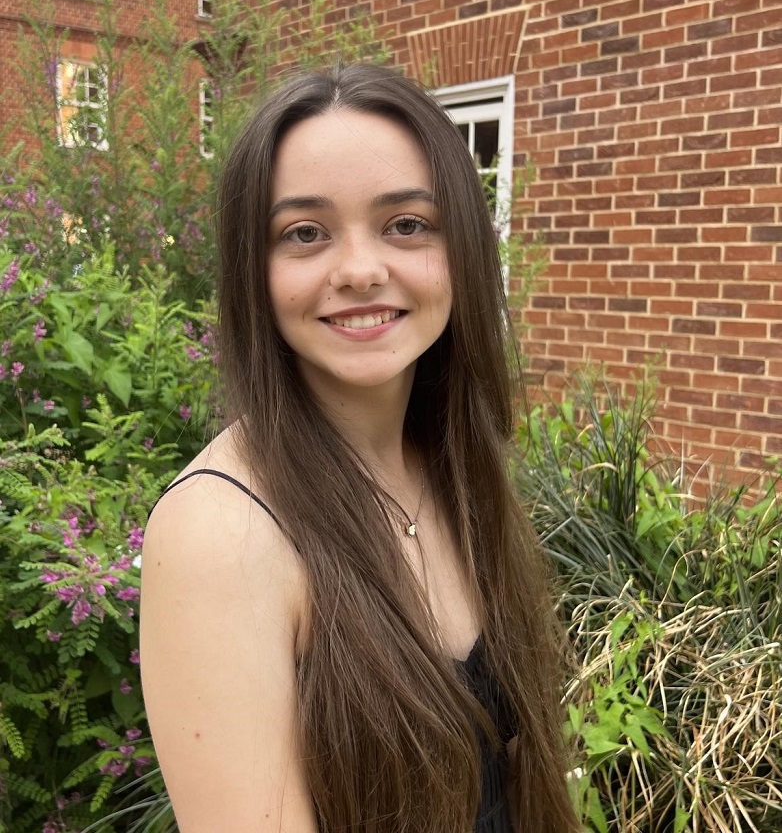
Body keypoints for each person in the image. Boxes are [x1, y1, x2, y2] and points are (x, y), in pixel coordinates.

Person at [140, 63, 578, 833]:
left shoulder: (455, 467)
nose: (362, 270)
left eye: (406, 223)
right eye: (304, 233)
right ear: (254, 270)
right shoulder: (222, 534)